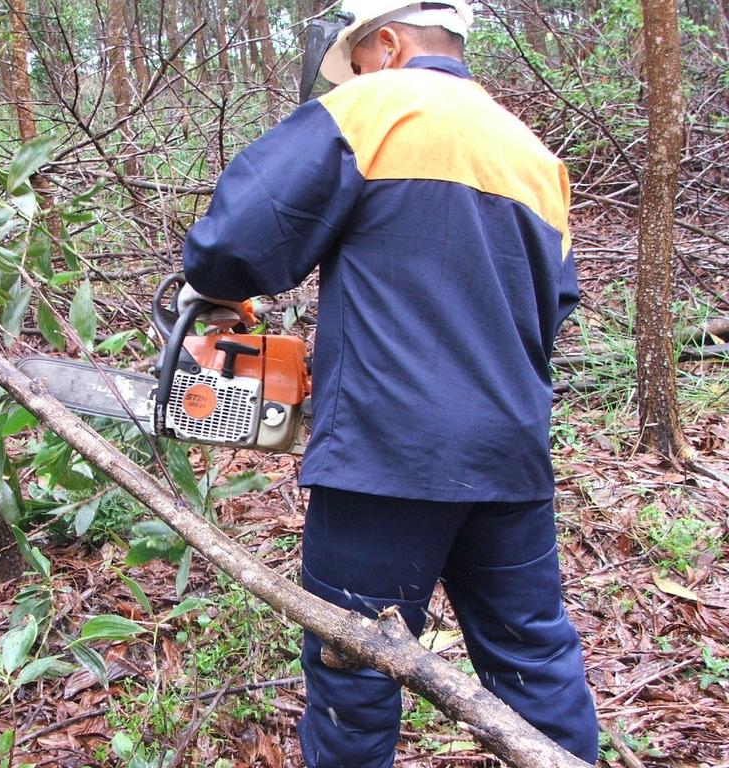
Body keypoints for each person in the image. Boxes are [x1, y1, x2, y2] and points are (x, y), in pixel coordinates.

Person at [178, 0, 599, 765]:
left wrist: (220, 294)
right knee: (533, 662)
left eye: (357, 61)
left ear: (389, 43)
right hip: (511, 455)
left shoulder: (375, 106)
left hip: (384, 459)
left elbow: (233, 241)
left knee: (356, 673)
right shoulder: (534, 154)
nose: (355, 77)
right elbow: (554, 306)